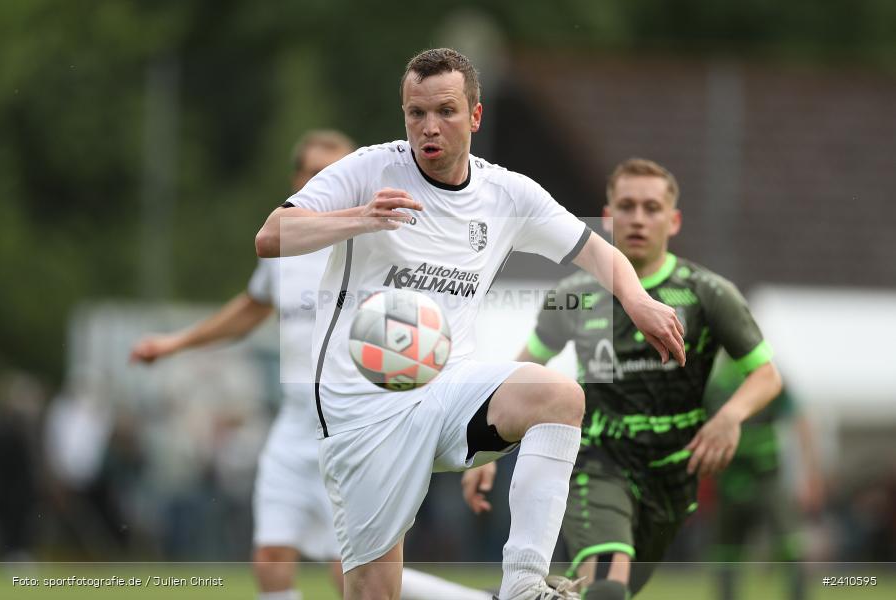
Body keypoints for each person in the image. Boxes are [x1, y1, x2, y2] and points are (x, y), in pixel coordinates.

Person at [254, 49, 685, 600]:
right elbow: (271, 236)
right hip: (360, 409)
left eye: (446, 111)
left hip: (447, 390)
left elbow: (596, 252)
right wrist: (362, 217)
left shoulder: (507, 193)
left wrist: (636, 299)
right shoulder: (370, 169)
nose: (428, 127)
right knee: (370, 590)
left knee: (558, 395)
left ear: (475, 116)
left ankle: (525, 585)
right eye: (416, 113)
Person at [132, 130, 491, 600]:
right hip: (293, 427)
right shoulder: (284, 249)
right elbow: (251, 308)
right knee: (270, 561)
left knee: (355, 573)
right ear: (296, 181)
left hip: (352, 428)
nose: (321, 179)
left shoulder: (383, 248)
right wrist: (175, 343)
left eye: (331, 170)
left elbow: (440, 333)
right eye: (310, 172)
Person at [462, 158, 782, 599]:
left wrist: (730, 418)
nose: (637, 218)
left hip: (671, 475)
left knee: (608, 592)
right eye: (627, 206)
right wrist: (487, 447)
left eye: (651, 208)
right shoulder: (573, 294)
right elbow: (526, 375)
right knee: (610, 584)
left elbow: (765, 375)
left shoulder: (708, 293)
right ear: (608, 217)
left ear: (673, 221)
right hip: (597, 460)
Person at [704, 352, 823, 600]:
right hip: (731, 480)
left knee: (789, 543)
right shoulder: (715, 383)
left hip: (767, 477)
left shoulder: (766, 377)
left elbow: (801, 421)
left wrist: (810, 473)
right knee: (727, 551)